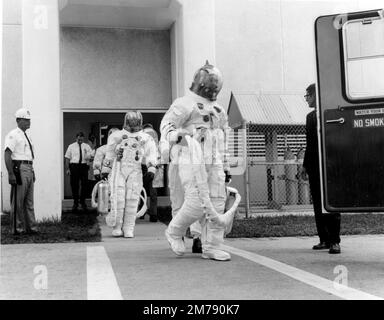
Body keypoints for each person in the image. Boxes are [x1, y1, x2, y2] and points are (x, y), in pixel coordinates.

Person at [160, 61, 232, 261]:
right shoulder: (183, 103)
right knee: (198, 200)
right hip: (189, 156)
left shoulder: (218, 109)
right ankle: (175, 231)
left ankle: (211, 246)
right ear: (201, 84)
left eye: (215, 86)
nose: (212, 89)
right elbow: (167, 126)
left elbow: (223, 138)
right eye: (210, 85)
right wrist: (181, 136)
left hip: (212, 158)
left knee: (217, 201)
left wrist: (225, 165)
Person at [101, 111, 158, 238]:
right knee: (118, 198)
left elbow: (151, 154)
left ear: (140, 122)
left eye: (135, 121)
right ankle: (117, 226)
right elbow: (109, 153)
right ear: (126, 121)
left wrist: (151, 168)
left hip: (135, 170)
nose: (133, 124)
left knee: (132, 199)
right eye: (131, 121)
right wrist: (106, 169)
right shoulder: (116, 136)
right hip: (118, 169)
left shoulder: (146, 137)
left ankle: (128, 228)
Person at [302, 83, 341, 254]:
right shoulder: (310, 117)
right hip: (314, 167)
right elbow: (310, 144)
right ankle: (323, 239)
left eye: (308, 96)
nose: (307, 100)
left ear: (315, 95)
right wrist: (304, 166)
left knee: (331, 204)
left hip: (329, 166)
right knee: (318, 203)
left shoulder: (330, 114)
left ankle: (335, 241)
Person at [4, 108, 38, 235]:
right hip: (19, 168)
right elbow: (7, 154)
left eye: (29, 120)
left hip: (28, 167)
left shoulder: (27, 135)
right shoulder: (13, 135)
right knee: (18, 201)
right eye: (26, 120)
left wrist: (32, 170)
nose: (29, 122)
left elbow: (28, 156)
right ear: (18, 120)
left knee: (29, 202)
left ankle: (31, 228)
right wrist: (11, 173)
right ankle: (17, 229)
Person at [65, 132, 93, 211]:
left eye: (81, 139)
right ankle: (75, 203)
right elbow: (67, 158)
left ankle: (83, 202)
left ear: (83, 138)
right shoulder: (71, 146)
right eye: (78, 139)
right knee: (74, 185)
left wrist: (90, 158)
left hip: (84, 166)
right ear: (76, 138)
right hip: (74, 167)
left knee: (85, 185)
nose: (80, 140)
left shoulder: (87, 146)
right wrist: (67, 169)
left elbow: (91, 156)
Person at [141, 123, 161, 223]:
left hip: (143, 164)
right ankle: (153, 214)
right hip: (154, 164)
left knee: (141, 189)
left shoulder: (142, 133)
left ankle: (141, 212)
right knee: (153, 191)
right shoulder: (155, 134)